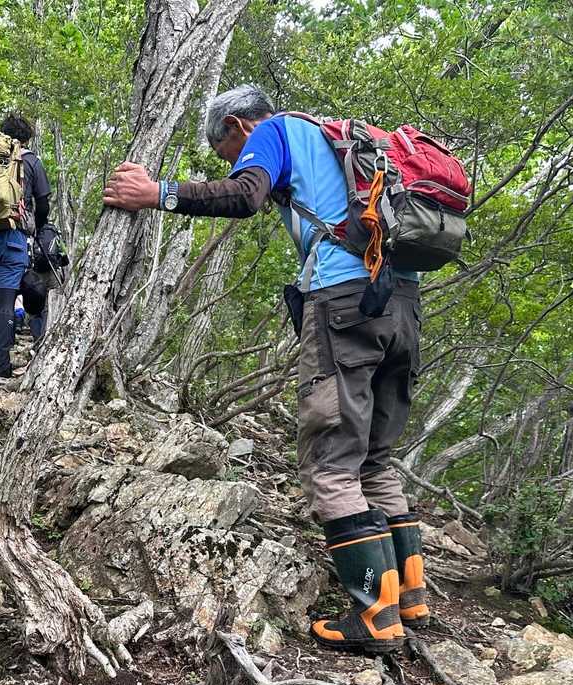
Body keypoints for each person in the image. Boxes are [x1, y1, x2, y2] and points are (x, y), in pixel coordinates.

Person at [103, 85, 429, 655]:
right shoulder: (336, 139)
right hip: (402, 304)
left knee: (331, 462)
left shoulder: (276, 131)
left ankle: (375, 618)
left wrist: (157, 193)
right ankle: (409, 599)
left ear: (237, 125)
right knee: (375, 460)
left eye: (227, 152)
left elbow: (244, 195)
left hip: (346, 301)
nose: (232, 162)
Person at [0, 112, 53, 376]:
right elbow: (43, 205)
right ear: (27, 138)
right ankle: (0, 368)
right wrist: (37, 227)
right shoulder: (30, 161)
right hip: (12, 237)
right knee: (7, 300)